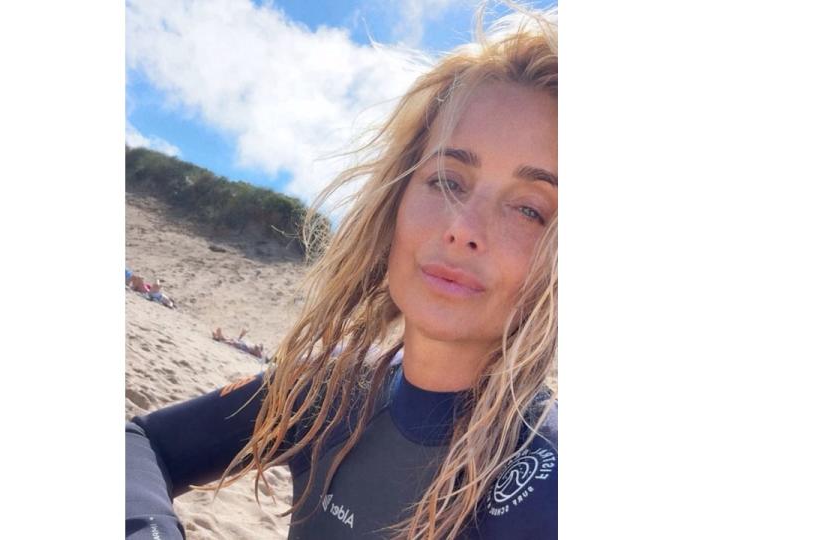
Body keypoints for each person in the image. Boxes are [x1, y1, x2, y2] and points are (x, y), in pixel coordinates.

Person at [127, 6, 557, 539]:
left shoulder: (548, 487)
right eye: (447, 179)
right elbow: (142, 442)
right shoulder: (329, 394)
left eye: (530, 209)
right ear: (395, 200)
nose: (463, 228)